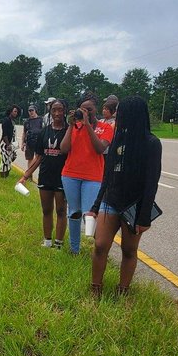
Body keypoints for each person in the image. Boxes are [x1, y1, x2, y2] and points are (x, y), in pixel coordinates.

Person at [91, 96, 162, 297]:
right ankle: (95, 288)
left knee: (129, 251)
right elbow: (107, 176)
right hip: (110, 202)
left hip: (134, 206)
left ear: (133, 116)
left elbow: (151, 183)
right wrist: (96, 205)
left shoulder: (151, 144)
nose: (117, 116)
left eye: (121, 113)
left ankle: (123, 291)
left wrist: (144, 216)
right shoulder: (117, 140)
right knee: (100, 245)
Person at [59, 92, 113, 254]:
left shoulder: (105, 128)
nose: (86, 112)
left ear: (96, 109)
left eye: (89, 109)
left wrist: (88, 125)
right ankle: (74, 249)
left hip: (93, 177)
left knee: (89, 213)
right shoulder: (75, 127)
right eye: (83, 109)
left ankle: (100, 249)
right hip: (70, 174)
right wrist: (71, 125)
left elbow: (100, 148)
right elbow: (63, 149)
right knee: (74, 212)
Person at [18, 99, 68, 248]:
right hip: (45, 175)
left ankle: (58, 243)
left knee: (61, 211)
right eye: (54, 110)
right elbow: (38, 157)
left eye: (60, 109)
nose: (57, 113)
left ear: (65, 110)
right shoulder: (44, 132)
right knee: (46, 210)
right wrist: (25, 176)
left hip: (63, 177)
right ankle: (47, 241)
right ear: (50, 112)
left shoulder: (69, 130)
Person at [20, 104, 44, 172]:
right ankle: (30, 175)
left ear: (35, 110)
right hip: (29, 143)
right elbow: (24, 133)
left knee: (39, 159)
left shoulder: (41, 120)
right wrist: (22, 143)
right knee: (29, 159)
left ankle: (40, 175)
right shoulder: (26, 122)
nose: (31, 112)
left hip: (39, 143)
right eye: (29, 110)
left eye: (32, 110)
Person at [0, 105, 20, 178]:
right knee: (4, 160)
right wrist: (8, 145)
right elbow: (5, 134)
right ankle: (3, 176)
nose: (16, 113)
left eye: (17, 112)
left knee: (9, 160)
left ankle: (6, 175)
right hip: (6, 143)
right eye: (14, 111)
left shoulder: (12, 121)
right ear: (10, 111)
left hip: (11, 143)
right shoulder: (6, 120)